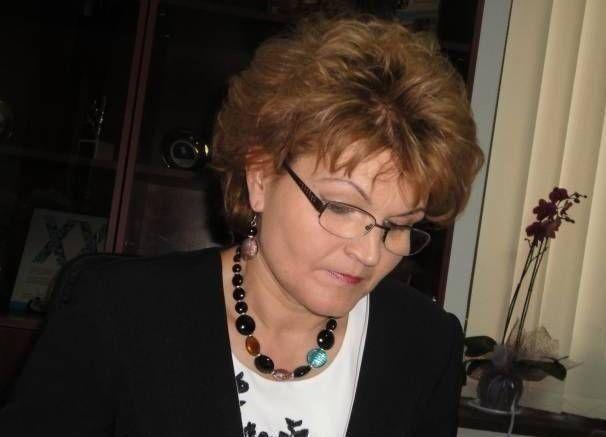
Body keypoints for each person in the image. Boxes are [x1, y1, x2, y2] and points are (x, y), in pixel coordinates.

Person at [0, 14, 484, 436]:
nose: (369, 253)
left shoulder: (425, 346)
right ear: (260, 178)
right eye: (341, 207)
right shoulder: (117, 312)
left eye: (397, 226)